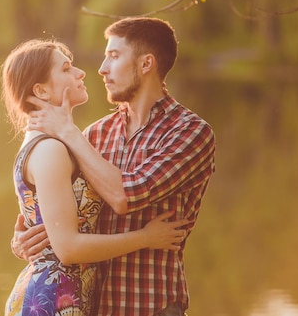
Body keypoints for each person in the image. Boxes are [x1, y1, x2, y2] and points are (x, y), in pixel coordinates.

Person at [16, 17, 216, 316]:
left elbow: (126, 196)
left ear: (146, 64)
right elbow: (58, 207)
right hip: (92, 306)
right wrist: (24, 238)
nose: (102, 69)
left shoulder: (190, 133)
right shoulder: (96, 133)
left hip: (151, 307)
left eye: (114, 56)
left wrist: (67, 130)